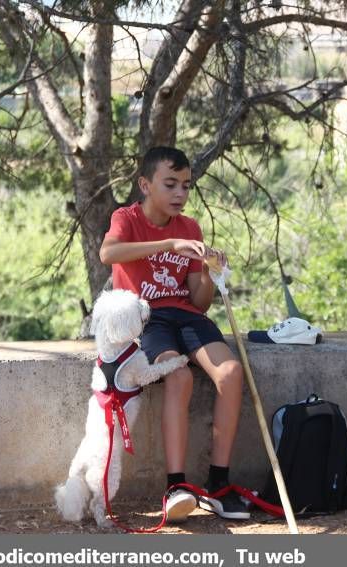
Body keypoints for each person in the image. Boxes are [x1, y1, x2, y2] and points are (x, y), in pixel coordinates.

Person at [100, 146, 249, 522]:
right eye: (171, 185)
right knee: (178, 376)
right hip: (149, 320)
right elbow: (109, 253)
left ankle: (218, 484)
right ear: (145, 185)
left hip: (186, 317)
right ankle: (177, 487)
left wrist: (209, 274)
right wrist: (169, 244)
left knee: (231, 374)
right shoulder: (127, 218)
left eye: (186, 185)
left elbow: (199, 303)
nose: (180, 194)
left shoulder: (191, 228)